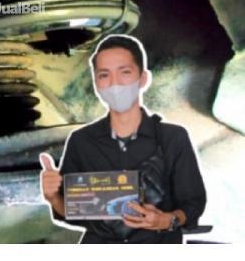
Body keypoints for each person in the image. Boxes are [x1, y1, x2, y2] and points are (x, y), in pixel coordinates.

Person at [40, 34, 206, 244]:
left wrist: (166, 220)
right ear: (96, 83)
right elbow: (74, 212)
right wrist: (53, 197)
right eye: (104, 75)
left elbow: (193, 204)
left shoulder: (173, 138)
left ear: (143, 79)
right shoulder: (80, 141)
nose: (115, 83)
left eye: (125, 72)